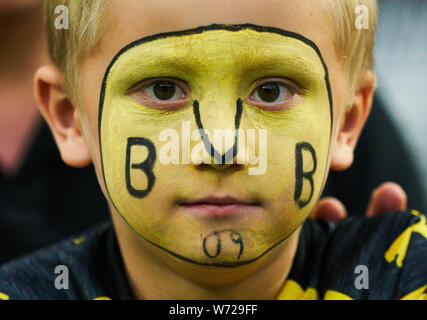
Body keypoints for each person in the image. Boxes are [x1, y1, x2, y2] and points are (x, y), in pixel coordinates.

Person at [0, 0, 425, 300]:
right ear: (70, 116)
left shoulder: (403, 270)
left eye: (271, 91)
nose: (222, 146)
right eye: (163, 89)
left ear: (346, 122)